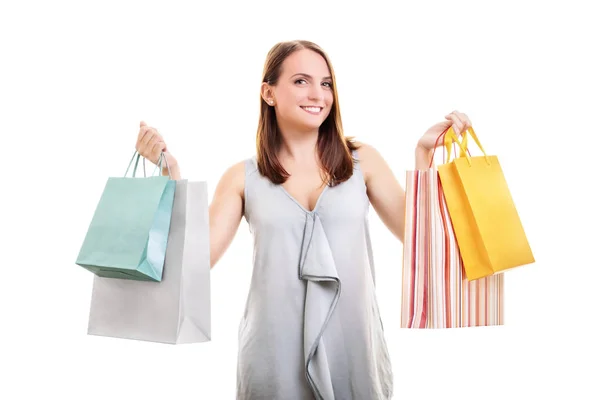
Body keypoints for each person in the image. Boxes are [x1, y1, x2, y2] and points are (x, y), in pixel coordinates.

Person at [135, 40, 472, 400]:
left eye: (326, 83)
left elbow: (423, 239)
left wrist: (424, 157)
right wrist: (170, 176)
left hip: (354, 347)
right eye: (301, 81)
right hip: (273, 355)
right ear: (268, 93)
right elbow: (196, 260)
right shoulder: (241, 177)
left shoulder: (362, 162)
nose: (318, 94)